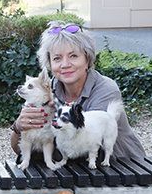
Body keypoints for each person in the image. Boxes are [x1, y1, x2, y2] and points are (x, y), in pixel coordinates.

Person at [10, 21, 145, 159]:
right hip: (76, 171)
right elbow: (19, 151)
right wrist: (19, 127)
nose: (65, 64)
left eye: (73, 56)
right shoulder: (48, 92)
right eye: (57, 58)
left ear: (87, 59)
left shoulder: (106, 90)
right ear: (50, 64)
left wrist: (52, 121)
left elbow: (83, 148)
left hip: (125, 168)